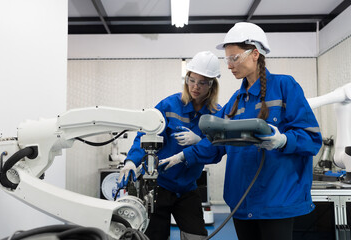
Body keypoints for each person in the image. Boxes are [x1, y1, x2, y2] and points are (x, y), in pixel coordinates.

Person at [159, 22, 322, 240]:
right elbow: (214, 142)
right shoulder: (235, 102)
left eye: (234, 58)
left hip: (277, 201)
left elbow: (312, 138)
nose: (229, 66)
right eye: (227, 59)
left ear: (255, 53)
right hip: (241, 203)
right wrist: (183, 156)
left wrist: (283, 140)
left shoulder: (285, 87)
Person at [117, 51, 221, 240]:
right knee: (154, 236)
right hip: (159, 185)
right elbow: (146, 135)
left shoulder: (216, 114)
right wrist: (132, 161)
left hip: (188, 188)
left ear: (212, 84)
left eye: (202, 82)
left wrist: (199, 142)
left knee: (196, 236)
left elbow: (218, 150)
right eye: (191, 79)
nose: (195, 87)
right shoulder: (169, 105)